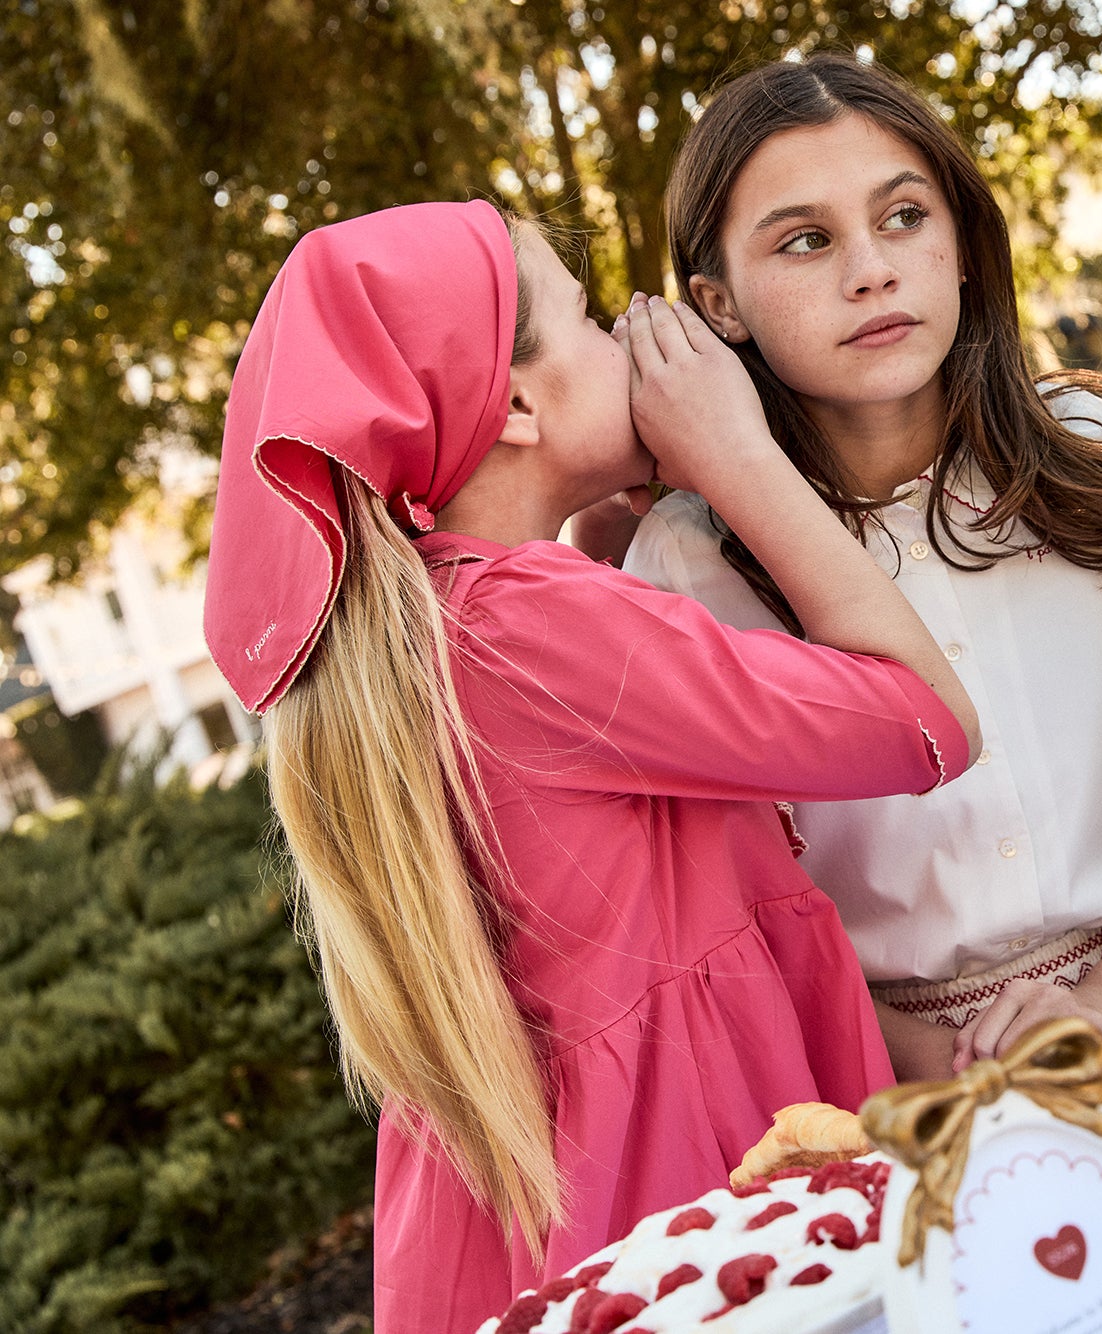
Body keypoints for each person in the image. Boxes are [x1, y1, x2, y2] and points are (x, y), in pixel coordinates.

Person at [201, 200, 981, 1333]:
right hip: (688, 1197)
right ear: (516, 401)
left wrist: (621, 533)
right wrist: (741, 460)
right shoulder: (528, 624)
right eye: (586, 319)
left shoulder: (445, 627)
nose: (628, 336)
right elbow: (922, 718)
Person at [611, 54, 1102, 1092]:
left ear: (961, 246)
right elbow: (728, 921)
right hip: (895, 1090)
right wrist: (983, 1079)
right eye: (805, 239)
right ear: (717, 303)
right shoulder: (684, 568)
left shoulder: (1098, 450)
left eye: (904, 216)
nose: (870, 268)